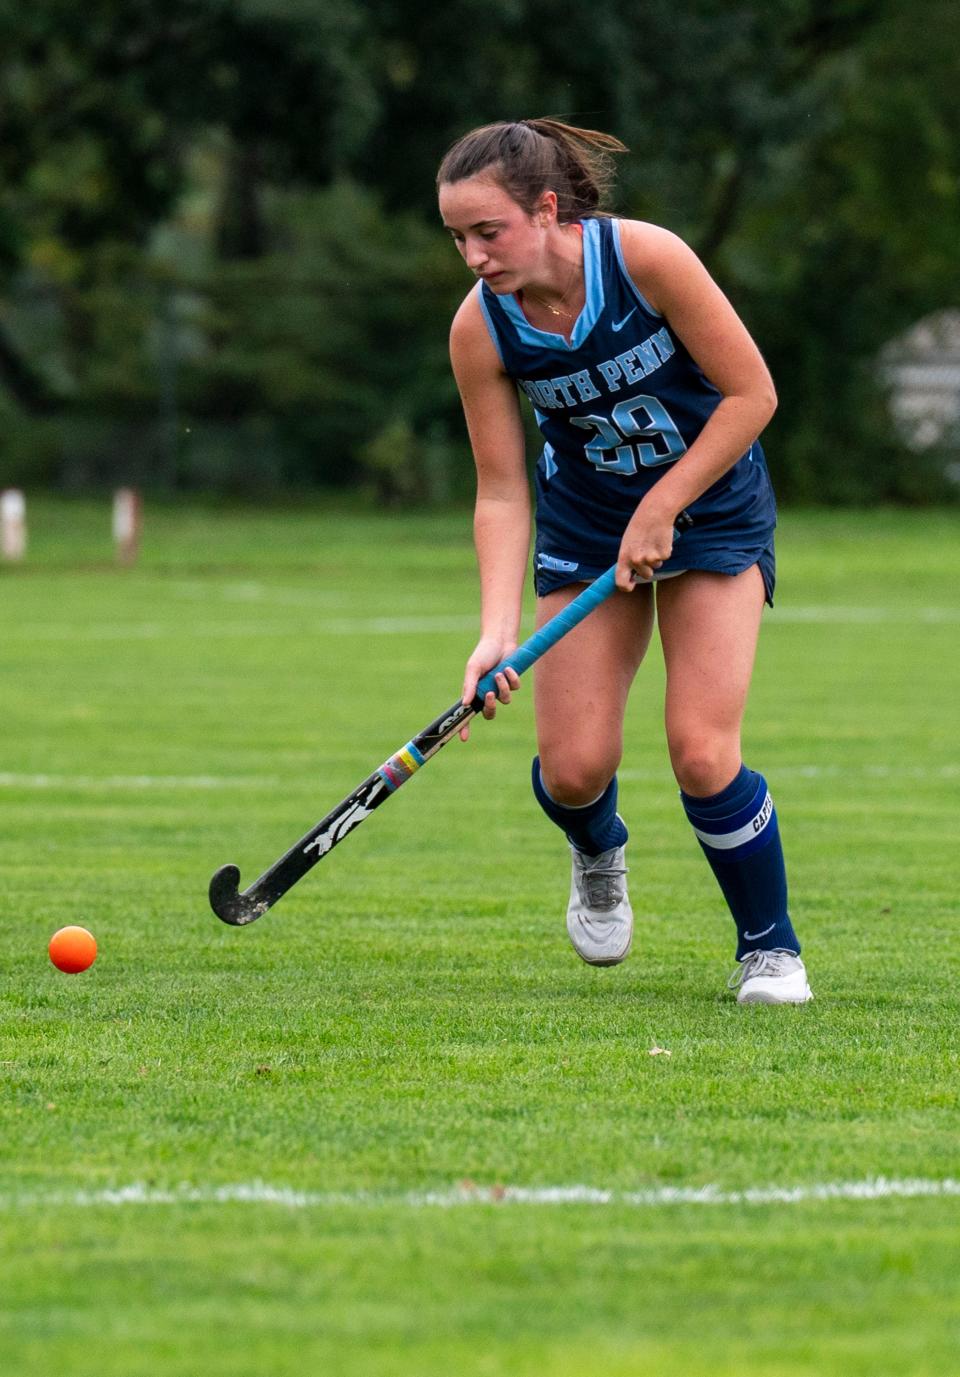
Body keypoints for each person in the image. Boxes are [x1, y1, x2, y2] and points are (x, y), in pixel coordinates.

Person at [437, 118, 812, 1004]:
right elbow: (499, 492)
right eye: (458, 238)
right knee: (573, 768)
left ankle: (771, 950)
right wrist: (494, 633)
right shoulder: (481, 329)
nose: (474, 256)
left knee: (700, 748)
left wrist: (666, 502)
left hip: (711, 511)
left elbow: (752, 393)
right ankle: (598, 848)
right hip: (585, 525)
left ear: (547, 208)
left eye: (488, 232)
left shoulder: (647, 260)